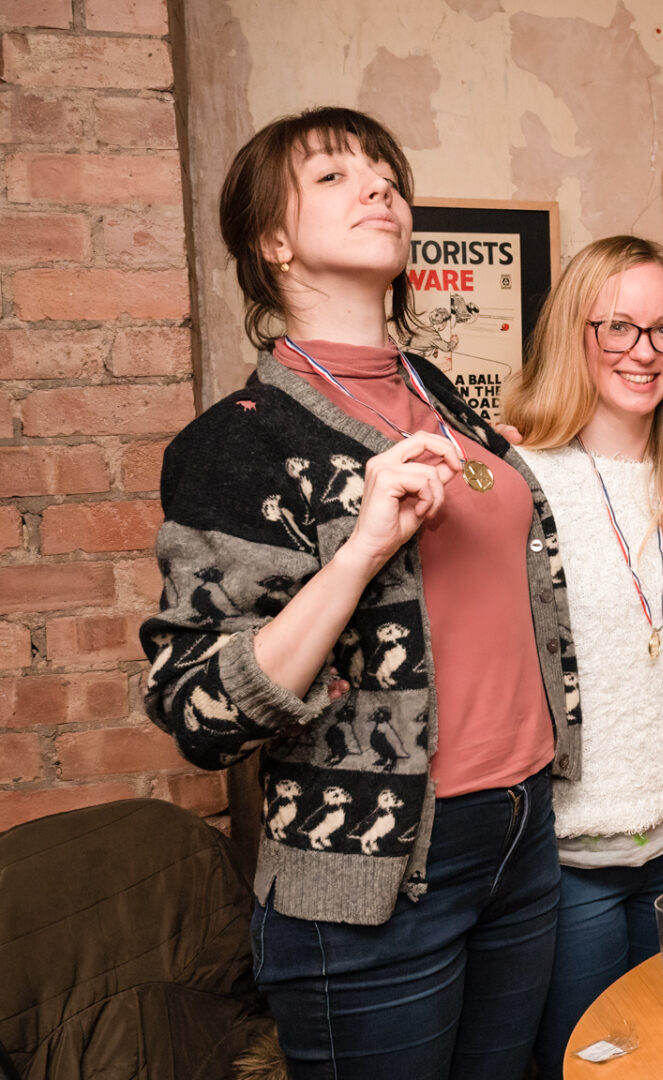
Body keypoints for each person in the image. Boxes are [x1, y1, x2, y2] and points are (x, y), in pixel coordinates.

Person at [140, 107, 578, 1078]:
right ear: (273, 240)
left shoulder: (437, 393)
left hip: (519, 832)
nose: (381, 185)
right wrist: (358, 550)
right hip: (377, 867)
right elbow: (200, 711)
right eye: (336, 176)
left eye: (386, 172)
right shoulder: (240, 440)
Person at [501, 236, 663, 1078]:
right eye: (619, 327)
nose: (645, 352)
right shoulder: (515, 476)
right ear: (575, 330)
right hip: (572, 854)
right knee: (591, 1065)